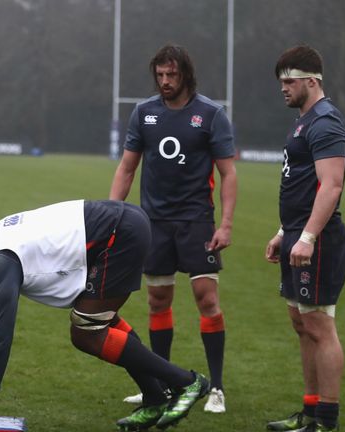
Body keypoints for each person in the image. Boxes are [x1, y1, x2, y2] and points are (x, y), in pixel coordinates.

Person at [0, 200, 210, 431]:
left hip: (119, 234)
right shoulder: (1, 234)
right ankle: (154, 397)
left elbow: (1, 335)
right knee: (100, 319)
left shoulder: (2, 259)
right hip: (121, 225)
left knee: (86, 333)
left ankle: (187, 382)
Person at [109, 44, 237, 413]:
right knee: (157, 300)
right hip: (154, 223)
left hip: (197, 221)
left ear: (186, 76)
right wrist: (114, 212)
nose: (165, 82)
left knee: (206, 299)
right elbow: (127, 168)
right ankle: (162, 384)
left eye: (172, 75)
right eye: (160, 75)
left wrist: (225, 225)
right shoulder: (144, 113)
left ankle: (217, 389)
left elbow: (228, 173)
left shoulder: (211, 115)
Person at [264, 45, 345, 432]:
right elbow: (301, 183)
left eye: (289, 81)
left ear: (311, 82)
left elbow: (330, 187)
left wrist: (309, 236)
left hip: (321, 240)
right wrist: (285, 232)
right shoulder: (304, 120)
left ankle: (325, 421)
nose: (283, 88)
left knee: (319, 326)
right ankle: (310, 411)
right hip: (298, 236)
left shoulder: (326, 122)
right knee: (301, 323)